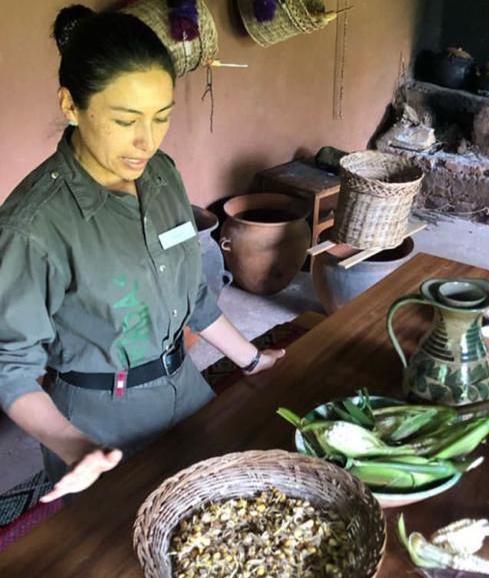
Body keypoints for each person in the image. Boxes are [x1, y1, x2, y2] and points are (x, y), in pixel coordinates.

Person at [0, 5, 285, 504]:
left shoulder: (161, 176)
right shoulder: (33, 227)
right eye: (125, 120)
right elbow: (9, 367)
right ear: (71, 106)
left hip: (187, 389)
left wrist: (251, 358)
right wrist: (75, 446)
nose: (146, 141)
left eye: (161, 117)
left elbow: (193, 294)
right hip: (102, 422)